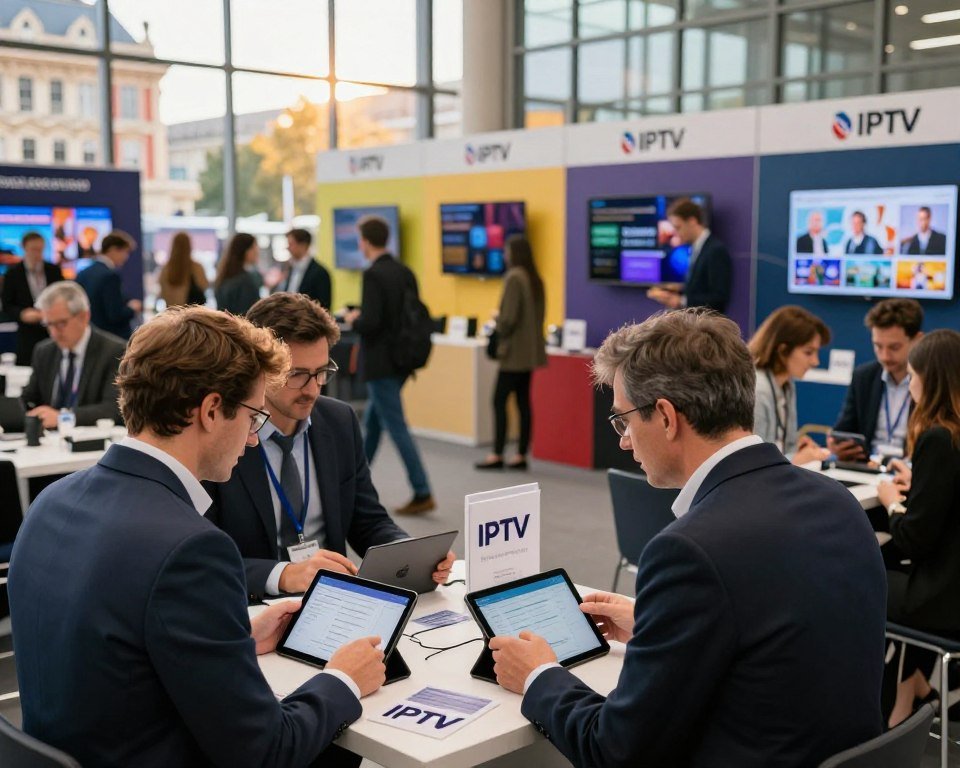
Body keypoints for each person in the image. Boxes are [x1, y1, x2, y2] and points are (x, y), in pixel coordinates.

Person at [487, 309, 886, 768]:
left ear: (666, 416)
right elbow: (779, 637)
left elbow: (616, 751)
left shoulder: (691, 550)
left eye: (624, 421)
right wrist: (662, 629)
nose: (623, 441)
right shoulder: (838, 501)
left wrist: (539, 674)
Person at [9, 305, 386, 767]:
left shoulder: (52, 501)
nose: (253, 439)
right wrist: (343, 679)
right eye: (253, 417)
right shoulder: (190, 547)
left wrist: (236, 637)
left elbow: (115, 652)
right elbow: (265, 752)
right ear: (211, 410)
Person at [206, 292, 454, 600]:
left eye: (321, 372)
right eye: (296, 375)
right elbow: (205, 561)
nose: (312, 389)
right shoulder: (222, 433)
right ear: (259, 368)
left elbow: (368, 520)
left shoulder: (338, 421)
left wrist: (410, 554)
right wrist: (284, 574)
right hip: (252, 607)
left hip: (331, 603)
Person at [876, 329, 960, 728]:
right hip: (951, 588)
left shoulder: (938, 439)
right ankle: (917, 693)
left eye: (913, 375)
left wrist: (891, 498)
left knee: (864, 577)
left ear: (933, 377)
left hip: (943, 599)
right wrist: (920, 486)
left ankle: (894, 709)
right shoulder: (951, 438)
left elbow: (914, 539)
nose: (909, 384)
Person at [344, 216, 435, 516]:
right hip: (402, 360)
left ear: (366, 241)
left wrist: (354, 318)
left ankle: (422, 490)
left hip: (381, 362)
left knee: (395, 426)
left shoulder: (373, 275)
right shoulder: (404, 271)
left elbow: (372, 322)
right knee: (372, 425)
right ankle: (353, 487)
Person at [475, 235, 547, 471]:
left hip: (514, 354)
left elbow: (508, 319)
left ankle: (497, 454)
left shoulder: (514, 277)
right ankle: (520, 454)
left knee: (499, 400)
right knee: (523, 402)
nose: (504, 255)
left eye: (506, 251)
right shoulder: (535, 279)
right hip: (530, 353)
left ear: (513, 253)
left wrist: (497, 321)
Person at [20, 281, 125, 428]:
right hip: (49, 442)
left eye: (61, 323)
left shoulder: (114, 351)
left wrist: (63, 418)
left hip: (91, 442)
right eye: (48, 324)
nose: (54, 333)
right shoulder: (44, 351)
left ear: (84, 316)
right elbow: (29, 398)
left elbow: (114, 409)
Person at [830, 298, 923, 461]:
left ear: (917, 339)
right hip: (867, 468)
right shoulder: (863, 376)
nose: (885, 356)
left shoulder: (928, 380)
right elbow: (844, 429)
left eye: (894, 347)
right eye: (878, 346)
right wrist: (837, 444)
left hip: (910, 471)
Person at [748, 305, 832, 465]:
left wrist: (799, 449)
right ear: (783, 350)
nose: (816, 361)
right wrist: (796, 459)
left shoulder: (787, 385)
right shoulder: (758, 389)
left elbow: (784, 448)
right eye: (808, 352)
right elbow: (753, 461)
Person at [646, 198, 732, 313]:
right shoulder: (697, 248)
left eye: (678, 227)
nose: (675, 234)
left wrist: (681, 301)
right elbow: (699, 287)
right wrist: (674, 291)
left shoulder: (715, 250)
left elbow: (718, 299)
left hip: (707, 326)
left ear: (692, 221)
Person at [1, 231, 63, 365]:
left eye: (40, 250)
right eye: (34, 249)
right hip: (27, 336)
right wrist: (22, 314)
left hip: (52, 332)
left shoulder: (53, 270)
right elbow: (7, 305)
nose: (38, 254)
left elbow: (63, 296)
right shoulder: (13, 274)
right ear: (24, 248)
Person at [74, 229, 142, 340]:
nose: (126, 257)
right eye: (125, 252)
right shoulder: (110, 276)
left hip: (89, 337)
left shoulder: (83, 272)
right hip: (111, 339)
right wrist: (132, 308)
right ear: (113, 249)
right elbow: (115, 315)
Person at [279, 228, 332, 308]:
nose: (288, 248)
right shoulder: (290, 268)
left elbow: (324, 307)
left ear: (303, 245)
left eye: (291, 244)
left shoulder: (320, 273)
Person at [215, 232, 263, 315]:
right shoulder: (245, 281)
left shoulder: (225, 275)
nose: (257, 252)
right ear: (245, 251)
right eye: (254, 247)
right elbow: (250, 314)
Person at [158, 231, 208, 307]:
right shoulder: (197, 268)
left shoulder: (165, 269)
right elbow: (204, 285)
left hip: (171, 314)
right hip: (191, 315)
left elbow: (163, 294)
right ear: (189, 246)